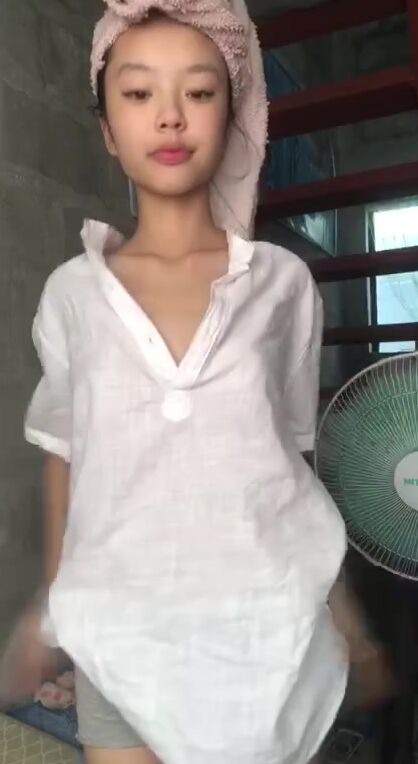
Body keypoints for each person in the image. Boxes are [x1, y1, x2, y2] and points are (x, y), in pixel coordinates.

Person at [2, 1, 392, 763]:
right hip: (120, 633)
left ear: (232, 114)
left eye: (201, 91)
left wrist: (348, 622)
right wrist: (51, 614)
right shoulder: (71, 294)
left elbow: (287, 471)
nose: (171, 116)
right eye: (139, 92)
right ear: (108, 129)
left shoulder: (282, 283)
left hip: (265, 636)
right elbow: (65, 457)